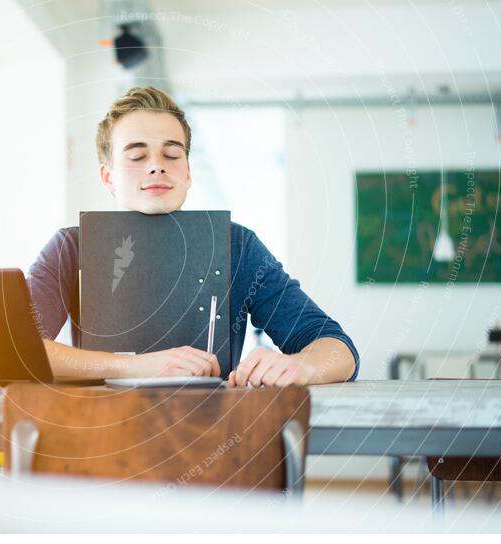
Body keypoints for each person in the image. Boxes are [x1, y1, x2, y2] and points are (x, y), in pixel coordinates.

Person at [28, 86, 358, 387]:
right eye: (137, 156)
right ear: (108, 176)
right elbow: (18, 350)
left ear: (187, 172)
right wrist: (137, 366)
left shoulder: (237, 246)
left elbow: (337, 350)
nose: (157, 166)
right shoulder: (71, 248)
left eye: (172, 155)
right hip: (97, 441)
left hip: (210, 439)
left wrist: (301, 366)